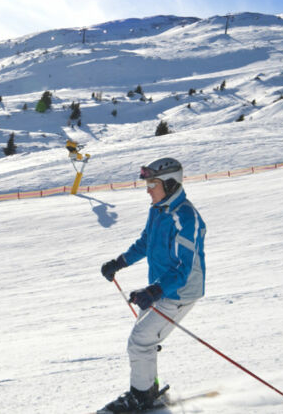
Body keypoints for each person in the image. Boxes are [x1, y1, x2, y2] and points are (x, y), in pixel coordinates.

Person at [97, 157, 207, 413]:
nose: (147, 189)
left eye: (152, 184)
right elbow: (146, 242)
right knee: (143, 338)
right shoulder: (158, 210)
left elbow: (184, 268)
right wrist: (119, 262)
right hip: (161, 286)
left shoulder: (186, 217)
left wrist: (154, 290)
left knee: (140, 340)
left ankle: (141, 397)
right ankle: (149, 388)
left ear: (170, 184)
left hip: (180, 291)